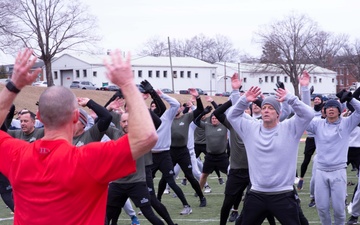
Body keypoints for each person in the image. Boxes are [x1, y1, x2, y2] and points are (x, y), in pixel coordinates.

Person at [0, 49, 158, 224]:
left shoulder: (18, 156)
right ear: (75, 117)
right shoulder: (88, 159)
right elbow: (147, 136)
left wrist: (13, 85)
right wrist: (128, 84)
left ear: (38, 117)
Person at [226, 74, 314, 224]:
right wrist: (241, 97)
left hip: (283, 194)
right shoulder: (250, 128)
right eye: (264, 107)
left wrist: (292, 97)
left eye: (271, 108)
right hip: (256, 194)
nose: (266, 110)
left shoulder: (290, 128)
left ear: (279, 114)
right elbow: (232, 116)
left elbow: (308, 113)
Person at [306, 89, 360, 225]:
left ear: (339, 110)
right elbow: (303, 114)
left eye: (334, 107)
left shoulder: (347, 123)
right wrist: (305, 90)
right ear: (324, 110)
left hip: (338, 172)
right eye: (328, 107)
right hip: (321, 171)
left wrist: (350, 99)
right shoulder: (317, 124)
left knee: (339, 210)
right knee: (322, 208)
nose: (331, 109)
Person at [297, 92, 324, 190]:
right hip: (310, 138)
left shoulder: (324, 111)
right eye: (315, 99)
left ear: (322, 101)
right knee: (306, 160)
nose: (316, 100)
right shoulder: (311, 111)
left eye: (318, 99)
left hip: (321, 139)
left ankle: (322, 180)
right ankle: (301, 179)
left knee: (322, 158)